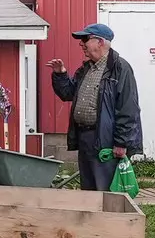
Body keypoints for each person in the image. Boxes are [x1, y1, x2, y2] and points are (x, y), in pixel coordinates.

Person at [50, 23, 142, 192]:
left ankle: (109, 218)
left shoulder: (120, 69)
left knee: (105, 190)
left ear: (100, 42)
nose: (81, 44)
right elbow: (68, 93)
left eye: (85, 39)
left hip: (106, 140)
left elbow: (128, 109)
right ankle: (93, 217)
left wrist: (121, 143)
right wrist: (60, 74)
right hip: (86, 137)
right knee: (89, 188)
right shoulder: (86, 68)